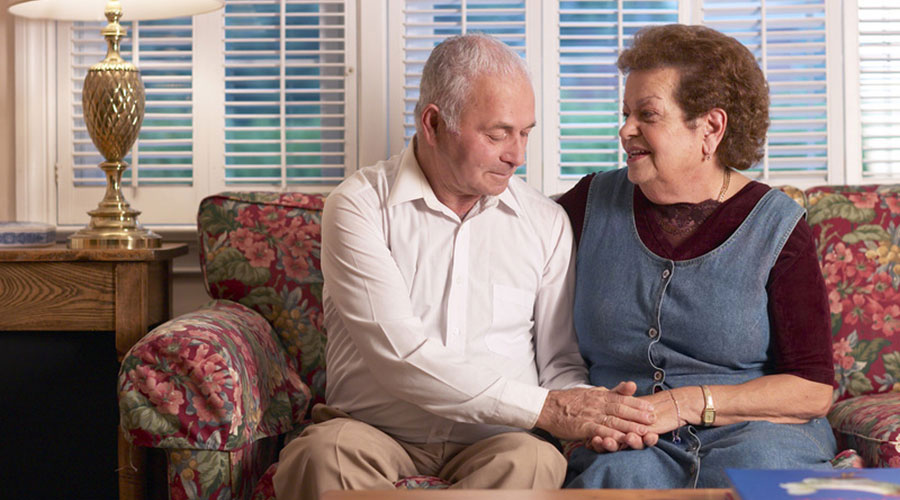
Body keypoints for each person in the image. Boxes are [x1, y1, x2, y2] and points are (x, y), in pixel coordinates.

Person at [272, 33, 658, 499]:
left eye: (525, 133)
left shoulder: (545, 222)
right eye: (498, 134)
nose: (517, 154)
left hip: (498, 440)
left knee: (536, 461)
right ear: (433, 124)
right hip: (370, 432)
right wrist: (550, 408)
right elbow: (400, 356)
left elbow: (559, 361)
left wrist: (591, 415)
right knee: (320, 455)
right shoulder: (359, 206)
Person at [558, 24, 837, 489]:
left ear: (710, 127)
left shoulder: (777, 225)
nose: (625, 130)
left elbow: (813, 389)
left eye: (647, 114)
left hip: (758, 434)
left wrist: (690, 402)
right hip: (632, 441)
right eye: (626, 113)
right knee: (615, 479)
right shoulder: (588, 203)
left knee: (769, 477)